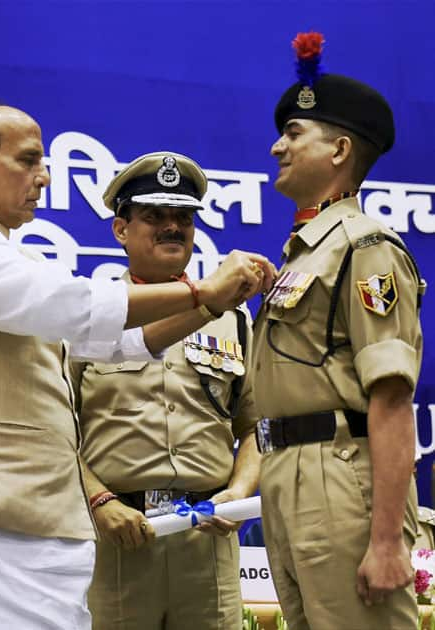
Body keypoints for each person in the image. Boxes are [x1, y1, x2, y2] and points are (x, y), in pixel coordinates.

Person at [0, 105, 273, 630]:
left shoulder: (10, 256)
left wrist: (210, 307)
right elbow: (72, 307)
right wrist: (202, 290)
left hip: (27, 516)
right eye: (28, 161)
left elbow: (117, 344)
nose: (44, 177)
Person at [251, 33, 426, 630]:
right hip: (287, 475)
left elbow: (392, 397)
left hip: (338, 478)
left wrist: (384, 543)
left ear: (340, 149)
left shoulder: (365, 248)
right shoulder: (304, 254)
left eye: (295, 134)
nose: (277, 146)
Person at [72, 151, 264, 629]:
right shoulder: (86, 319)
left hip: (207, 539)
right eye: (154, 217)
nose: (171, 227)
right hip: (119, 538)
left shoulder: (234, 319)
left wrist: (239, 492)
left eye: (182, 217)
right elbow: (53, 432)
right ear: (121, 230)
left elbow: (260, 427)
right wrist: (99, 501)